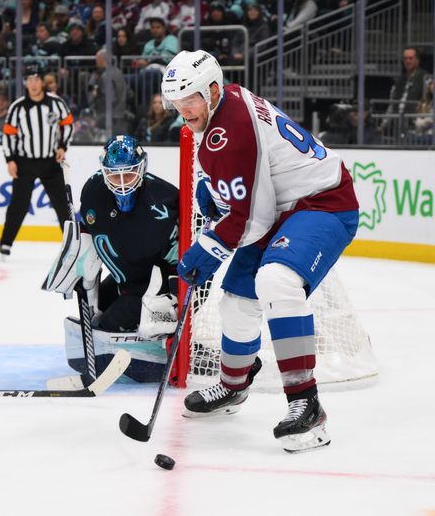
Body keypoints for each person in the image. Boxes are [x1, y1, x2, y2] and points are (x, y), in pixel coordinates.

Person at [161, 50, 360, 453]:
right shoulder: (226, 106)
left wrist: (208, 248)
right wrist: (218, 191)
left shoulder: (228, 130)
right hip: (284, 209)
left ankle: (307, 405)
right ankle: (234, 385)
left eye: (191, 99)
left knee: (276, 281)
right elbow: (256, 192)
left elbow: (252, 217)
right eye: (177, 103)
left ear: (213, 90)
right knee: (236, 302)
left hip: (324, 203)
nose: (184, 111)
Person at [42, 135, 180, 382]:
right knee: (96, 310)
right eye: (115, 175)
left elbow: (182, 256)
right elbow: (87, 231)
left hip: (153, 289)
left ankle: (155, 359)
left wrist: (173, 296)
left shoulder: (166, 200)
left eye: (129, 174)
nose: (122, 183)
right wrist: (79, 261)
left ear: (142, 169)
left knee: (108, 324)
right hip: (124, 280)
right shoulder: (94, 190)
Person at [0, 63, 74, 259]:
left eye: (36, 79)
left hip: (50, 162)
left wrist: (62, 146)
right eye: (29, 80)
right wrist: (10, 160)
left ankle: (71, 244)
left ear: (42, 81)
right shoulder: (17, 107)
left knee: (62, 205)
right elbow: (8, 134)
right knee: (18, 204)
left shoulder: (56, 103)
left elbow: (67, 124)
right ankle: (6, 243)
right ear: (26, 82)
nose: (33, 84)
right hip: (25, 162)